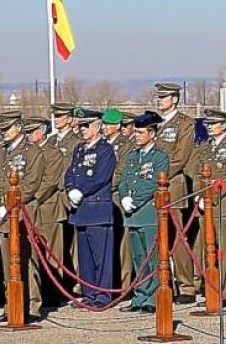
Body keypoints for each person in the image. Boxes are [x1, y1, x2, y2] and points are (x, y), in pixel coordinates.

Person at [0, 111, 44, 322]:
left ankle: (33, 304)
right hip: (4, 216)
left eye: (7, 129)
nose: (4, 133)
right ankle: (12, 302)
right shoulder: (1, 152)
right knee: (7, 262)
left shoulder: (32, 152)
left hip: (23, 213)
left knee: (28, 260)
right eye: (1, 130)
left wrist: (9, 204)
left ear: (19, 128)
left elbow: (30, 184)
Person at [64, 108, 117, 307]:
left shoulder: (105, 149)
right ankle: (89, 294)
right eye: (80, 126)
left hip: (97, 208)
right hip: (81, 210)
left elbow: (100, 176)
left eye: (86, 126)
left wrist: (82, 190)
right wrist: (70, 189)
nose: (82, 130)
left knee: (100, 256)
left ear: (97, 126)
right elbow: (70, 173)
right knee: (84, 257)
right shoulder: (79, 149)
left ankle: (103, 296)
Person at [117, 111, 168, 313]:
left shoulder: (160, 156)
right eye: (135, 132)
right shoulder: (131, 156)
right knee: (138, 258)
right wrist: (123, 197)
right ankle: (140, 297)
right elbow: (123, 179)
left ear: (152, 133)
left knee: (151, 258)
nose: (136, 136)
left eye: (140, 132)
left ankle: (153, 299)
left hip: (148, 213)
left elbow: (154, 182)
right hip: (132, 216)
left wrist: (135, 200)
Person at [153, 83, 198, 303]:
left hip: (172, 184)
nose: (159, 100)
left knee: (178, 238)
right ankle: (163, 283)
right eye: (159, 97)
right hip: (154, 188)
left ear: (175, 98)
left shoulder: (184, 123)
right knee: (158, 239)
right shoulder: (156, 124)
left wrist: (157, 175)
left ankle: (186, 286)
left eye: (164, 97)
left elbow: (180, 157)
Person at [195, 109, 226, 301]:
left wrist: (210, 198)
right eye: (207, 124)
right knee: (207, 248)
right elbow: (198, 171)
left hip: (223, 203)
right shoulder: (205, 146)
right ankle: (211, 288)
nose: (209, 127)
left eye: (212, 124)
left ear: (222, 125)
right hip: (204, 204)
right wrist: (199, 196)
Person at [26, 116, 67, 309]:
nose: (28, 136)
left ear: (42, 131)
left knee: (52, 254)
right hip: (29, 209)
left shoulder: (53, 153)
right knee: (32, 253)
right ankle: (34, 294)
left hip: (47, 208)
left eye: (32, 131)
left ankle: (53, 294)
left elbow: (50, 181)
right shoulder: (28, 153)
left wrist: (31, 197)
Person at [103, 108, 135, 291]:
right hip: (103, 197)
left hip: (115, 194)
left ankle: (125, 284)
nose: (105, 128)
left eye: (109, 125)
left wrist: (105, 185)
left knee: (123, 245)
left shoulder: (125, 145)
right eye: (105, 124)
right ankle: (112, 283)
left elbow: (121, 172)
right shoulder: (103, 144)